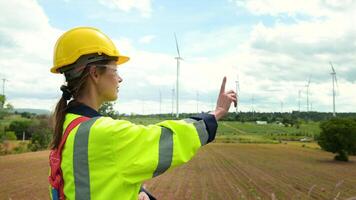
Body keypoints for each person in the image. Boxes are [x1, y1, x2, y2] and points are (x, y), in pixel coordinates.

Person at [48, 27, 237, 200]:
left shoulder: (66, 125)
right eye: (115, 69)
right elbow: (168, 139)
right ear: (95, 73)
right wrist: (216, 113)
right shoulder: (104, 134)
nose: (120, 78)